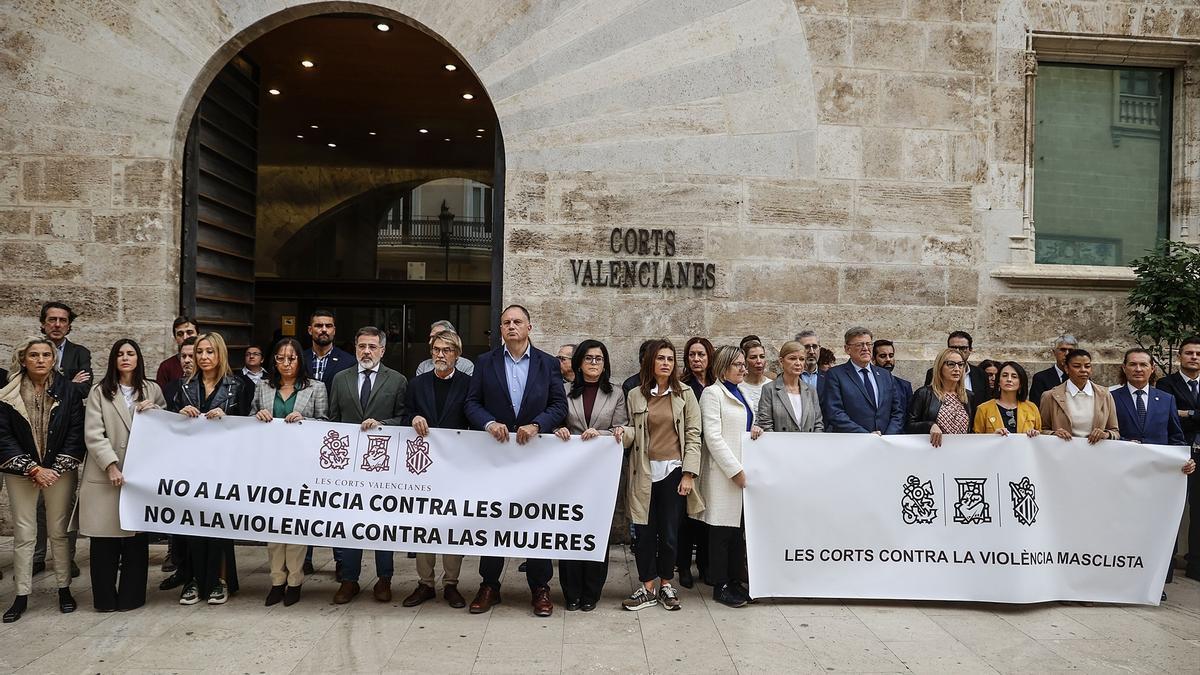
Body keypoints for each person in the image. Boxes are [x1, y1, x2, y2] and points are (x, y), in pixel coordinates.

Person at [463, 304, 567, 617]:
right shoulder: (485, 362)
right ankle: (489, 585)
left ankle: (540, 587)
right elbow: (472, 403)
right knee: (494, 518)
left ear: (529, 327)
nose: (511, 326)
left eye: (517, 322)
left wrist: (537, 424)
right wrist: (488, 422)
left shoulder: (547, 363)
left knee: (536, 519)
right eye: (506, 322)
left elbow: (559, 405)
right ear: (501, 329)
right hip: (497, 456)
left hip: (535, 457)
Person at [0, 336, 85, 622]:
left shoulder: (68, 391)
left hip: (58, 472)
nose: (40, 359)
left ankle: (64, 589)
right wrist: (32, 469)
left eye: (46, 354)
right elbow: (2, 435)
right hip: (21, 472)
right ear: (23, 359)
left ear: (54, 359)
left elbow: (76, 433)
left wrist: (54, 468)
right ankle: (21, 595)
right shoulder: (7, 391)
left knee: (59, 532)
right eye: (33, 355)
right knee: (24, 534)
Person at [614, 339, 700, 612]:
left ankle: (665, 583)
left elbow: (693, 435)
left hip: (674, 472)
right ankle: (647, 586)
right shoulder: (636, 395)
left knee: (670, 533)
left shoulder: (685, 393)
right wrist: (620, 433)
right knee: (643, 532)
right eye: (661, 358)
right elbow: (632, 432)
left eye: (670, 359)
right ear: (650, 362)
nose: (666, 363)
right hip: (644, 472)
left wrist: (689, 474)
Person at [81, 339, 166, 612]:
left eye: (131, 353)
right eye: (120, 354)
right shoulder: (100, 391)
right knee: (104, 540)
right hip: (107, 475)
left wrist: (154, 411)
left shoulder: (152, 389)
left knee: (135, 539)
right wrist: (110, 465)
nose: (126, 358)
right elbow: (93, 433)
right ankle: (104, 599)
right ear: (113, 360)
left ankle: (132, 597)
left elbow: (167, 426)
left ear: (139, 358)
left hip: (139, 475)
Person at [328, 327, 408, 605]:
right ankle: (349, 580)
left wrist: (384, 426)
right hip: (348, 466)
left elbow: (404, 418)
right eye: (362, 346)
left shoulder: (397, 380)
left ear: (382, 350)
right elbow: (333, 419)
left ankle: (384, 579)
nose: (367, 351)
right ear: (355, 348)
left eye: (373, 347)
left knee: (382, 524)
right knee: (349, 523)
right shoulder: (340, 379)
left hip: (382, 464)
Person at [172, 332, 250, 606]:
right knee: (191, 522)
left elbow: (248, 426)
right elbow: (169, 424)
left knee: (218, 523)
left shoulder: (236, 386)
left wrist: (227, 419)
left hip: (223, 465)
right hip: (191, 465)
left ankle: (220, 580)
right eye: (200, 352)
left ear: (220, 355)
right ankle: (192, 580)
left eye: (210, 352)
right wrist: (180, 416)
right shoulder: (183, 387)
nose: (204, 357)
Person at [1111, 347, 1195, 598]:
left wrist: (1186, 459)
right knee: (1125, 529)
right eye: (1133, 365)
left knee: (1156, 531)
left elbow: (1176, 437)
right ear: (1124, 368)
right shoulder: (1112, 398)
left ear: (1152, 369)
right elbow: (1108, 433)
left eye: (1143, 365)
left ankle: (1155, 583)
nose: (1138, 369)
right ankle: (1120, 581)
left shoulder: (1165, 399)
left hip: (1158, 479)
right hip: (1124, 476)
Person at [252, 337, 328, 607]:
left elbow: (325, 423)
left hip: (301, 468)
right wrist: (258, 417)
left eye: (292, 358)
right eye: (281, 358)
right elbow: (249, 422)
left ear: (300, 360)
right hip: (270, 466)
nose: (286, 363)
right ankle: (276, 580)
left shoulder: (315, 388)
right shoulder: (263, 387)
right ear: (274, 361)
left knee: (295, 527)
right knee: (274, 527)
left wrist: (306, 421)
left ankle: (294, 581)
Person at [399, 329, 472, 609]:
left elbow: (474, 415)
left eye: (447, 350)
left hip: (456, 467)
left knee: (452, 524)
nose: (441, 355)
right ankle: (425, 583)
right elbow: (405, 414)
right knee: (424, 525)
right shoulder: (417, 384)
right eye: (436, 350)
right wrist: (414, 417)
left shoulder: (469, 384)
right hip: (423, 467)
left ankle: (451, 584)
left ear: (457, 354)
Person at [553, 339, 627, 611]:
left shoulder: (617, 393)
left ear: (605, 364)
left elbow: (622, 429)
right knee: (570, 531)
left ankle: (591, 592)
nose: (594, 363)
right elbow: (556, 420)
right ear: (579, 363)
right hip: (570, 475)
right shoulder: (563, 390)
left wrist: (604, 434)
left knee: (596, 531)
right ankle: (570, 592)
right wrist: (558, 430)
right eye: (589, 358)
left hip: (601, 476)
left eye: (599, 359)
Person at [695, 345, 762, 608]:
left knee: (737, 534)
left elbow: (743, 425)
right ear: (723, 367)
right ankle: (720, 585)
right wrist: (735, 471)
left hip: (744, 471)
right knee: (721, 532)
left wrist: (755, 429)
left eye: (744, 364)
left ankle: (735, 581)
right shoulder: (712, 394)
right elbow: (713, 437)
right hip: (724, 475)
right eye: (738, 365)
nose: (744, 369)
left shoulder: (743, 392)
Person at [1155, 336, 1200, 580]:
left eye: (1198, 354)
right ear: (1179, 356)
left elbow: (1181, 414)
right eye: (1189, 353)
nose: (1194, 357)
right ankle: (1166, 567)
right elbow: (1168, 416)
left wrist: (1187, 412)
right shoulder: (1166, 384)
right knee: (1171, 509)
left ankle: (1196, 565)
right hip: (1177, 454)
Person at [676, 336, 714, 586]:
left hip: (713, 456)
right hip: (690, 455)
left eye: (701, 354)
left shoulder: (716, 384)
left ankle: (705, 563)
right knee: (687, 515)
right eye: (692, 355)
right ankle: (684, 567)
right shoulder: (682, 386)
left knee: (707, 512)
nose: (696, 359)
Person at [157, 335, 196, 580]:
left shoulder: (219, 386)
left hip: (204, 464)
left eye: (193, 355)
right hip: (177, 461)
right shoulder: (171, 388)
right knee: (179, 516)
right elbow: (161, 419)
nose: (189, 360)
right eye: (184, 356)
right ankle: (181, 569)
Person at [821, 328, 905, 434]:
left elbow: (897, 411)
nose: (865, 348)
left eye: (868, 344)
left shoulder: (885, 375)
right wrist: (866, 436)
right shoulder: (836, 375)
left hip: (884, 442)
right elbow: (835, 413)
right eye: (859, 345)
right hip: (854, 443)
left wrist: (888, 436)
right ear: (847, 349)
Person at [1039, 348, 1120, 444]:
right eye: (1077, 366)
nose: (1083, 370)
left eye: (1087, 366)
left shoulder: (1105, 395)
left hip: (1096, 452)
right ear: (1066, 368)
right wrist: (1054, 434)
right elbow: (1041, 430)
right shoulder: (1050, 396)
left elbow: (1115, 432)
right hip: (1062, 452)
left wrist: (1105, 434)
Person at [907, 348, 977, 447]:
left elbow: (975, 429)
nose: (957, 369)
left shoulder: (969, 396)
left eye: (960, 364)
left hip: (961, 451)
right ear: (940, 367)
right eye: (951, 364)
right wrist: (929, 426)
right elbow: (908, 426)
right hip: (932, 451)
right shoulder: (924, 393)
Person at [756, 341, 823, 433]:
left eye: (802, 359)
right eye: (792, 358)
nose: (798, 363)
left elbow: (818, 424)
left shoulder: (811, 390)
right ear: (781, 361)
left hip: (808, 444)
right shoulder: (769, 389)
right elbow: (765, 424)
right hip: (780, 445)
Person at [973, 362, 1042, 436]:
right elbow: (976, 440)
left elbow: (1040, 435)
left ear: (1021, 382)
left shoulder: (1031, 408)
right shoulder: (983, 409)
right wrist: (992, 436)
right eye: (1005, 375)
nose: (1009, 379)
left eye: (1014, 376)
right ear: (999, 381)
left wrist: (1035, 434)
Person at [40, 301, 92, 395]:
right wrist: (70, 384)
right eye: (52, 319)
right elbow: (28, 386)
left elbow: (84, 390)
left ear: (68, 326)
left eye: (63, 320)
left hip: (69, 409)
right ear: (43, 323)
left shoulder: (81, 353)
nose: (57, 325)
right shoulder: (31, 351)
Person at [923, 331, 988, 403]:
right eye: (953, 348)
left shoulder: (981, 374)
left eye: (962, 348)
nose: (958, 351)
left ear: (970, 350)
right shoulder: (933, 372)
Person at [304, 309, 355, 393]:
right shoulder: (299, 359)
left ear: (334, 330)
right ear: (310, 330)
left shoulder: (348, 362)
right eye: (319, 325)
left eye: (328, 326)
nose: (324, 329)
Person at [1029, 334, 1079, 405]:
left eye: (1071, 350)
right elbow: (1036, 408)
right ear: (1054, 352)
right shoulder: (1041, 378)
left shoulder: (1081, 377)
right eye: (1063, 350)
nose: (1067, 354)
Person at [872, 339, 912, 419]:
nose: (888, 359)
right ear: (873, 359)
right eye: (883, 356)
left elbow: (909, 417)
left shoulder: (904, 386)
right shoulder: (868, 383)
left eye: (891, 355)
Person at [154, 316, 198, 387]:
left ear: (198, 335)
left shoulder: (206, 362)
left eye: (189, 332)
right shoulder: (166, 366)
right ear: (175, 338)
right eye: (180, 334)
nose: (185, 337)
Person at [738, 339, 772, 413]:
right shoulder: (738, 386)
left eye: (762, 356)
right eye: (753, 357)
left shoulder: (772, 386)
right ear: (745, 361)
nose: (759, 361)